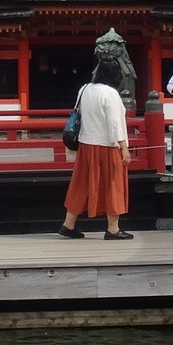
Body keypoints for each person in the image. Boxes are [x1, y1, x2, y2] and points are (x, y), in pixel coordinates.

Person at [60, 55, 131, 240]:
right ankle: (113, 228)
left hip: (86, 144)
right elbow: (115, 123)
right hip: (107, 146)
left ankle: (69, 224)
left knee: (81, 184)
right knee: (113, 185)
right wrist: (124, 147)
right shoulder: (110, 94)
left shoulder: (85, 89)